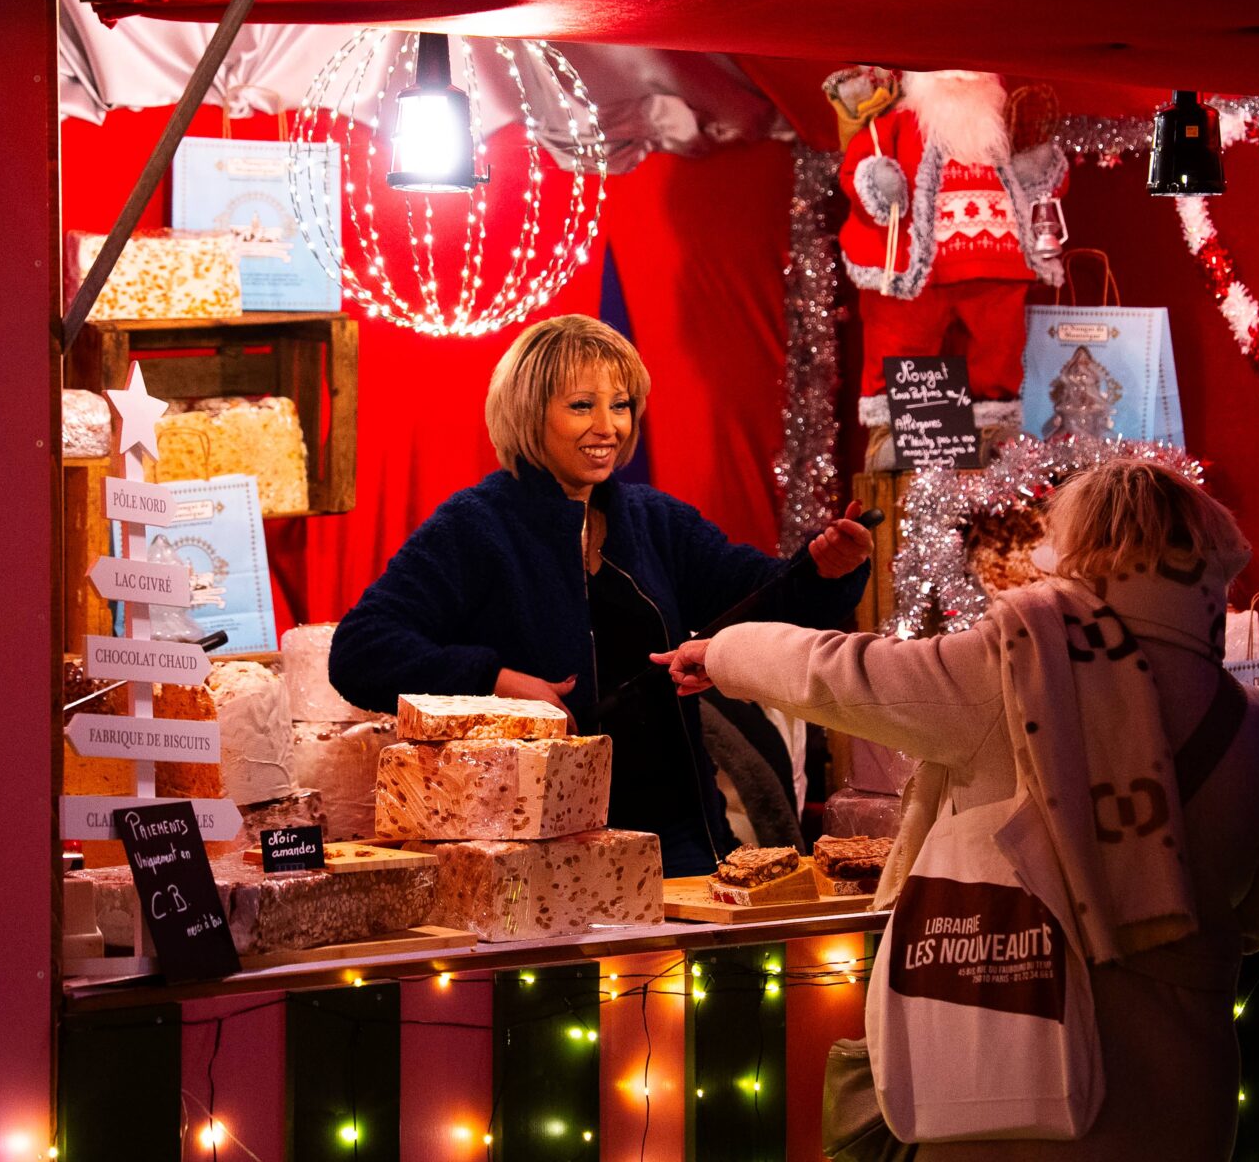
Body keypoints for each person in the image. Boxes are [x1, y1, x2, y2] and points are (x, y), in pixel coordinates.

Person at [655, 460, 1259, 1160]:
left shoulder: (1021, 670)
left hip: (1017, 1086)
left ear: (1075, 552)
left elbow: (846, 674)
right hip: (1187, 1097)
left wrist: (724, 651)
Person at [328, 314, 873, 877]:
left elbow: (769, 601)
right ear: (528, 412)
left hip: (680, 841)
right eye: (582, 405)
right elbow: (360, 651)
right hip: (531, 855)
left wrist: (827, 569)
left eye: (621, 404)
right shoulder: (473, 528)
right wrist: (494, 682)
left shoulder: (656, 522)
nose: (609, 426)